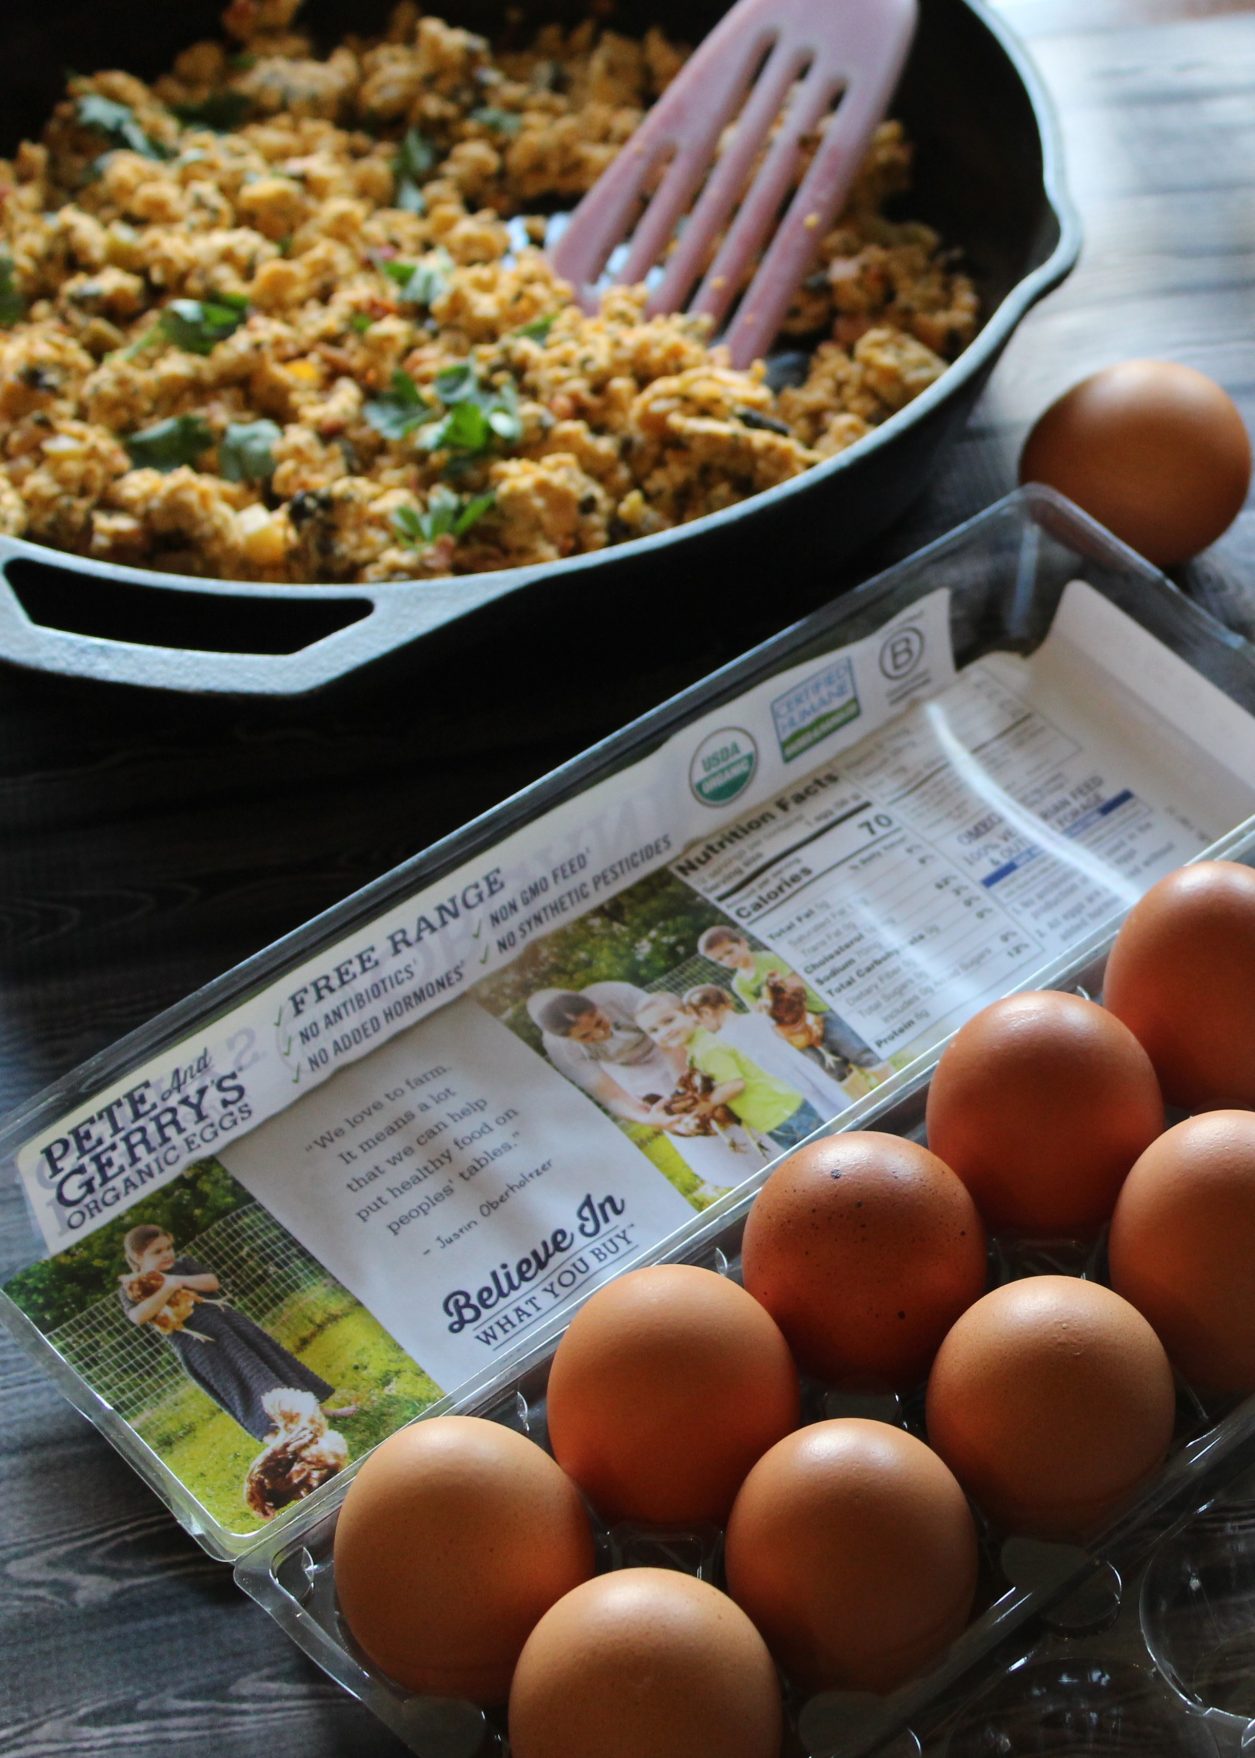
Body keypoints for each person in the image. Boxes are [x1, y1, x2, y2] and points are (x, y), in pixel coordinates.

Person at [119, 1224, 357, 1444]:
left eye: (168, 1247)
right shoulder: (133, 1287)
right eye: (157, 1251)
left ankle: (319, 1412)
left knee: (271, 1368)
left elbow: (211, 1283)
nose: (167, 1254)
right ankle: (276, 1439)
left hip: (230, 1327)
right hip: (201, 1348)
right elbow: (139, 1316)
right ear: (138, 1256)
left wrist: (175, 1280)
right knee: (241, 1389)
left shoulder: (182, 1266)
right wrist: (166, 1288)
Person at [636, 993, 825, 1154]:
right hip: (773, 1115)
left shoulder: (707, 1048)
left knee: (825, 1156)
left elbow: (734, 1084)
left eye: (669, 1020)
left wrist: (705, 1105)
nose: (665, 1031)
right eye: (654, 1030)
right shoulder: (696, 1049)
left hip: (783, 1112)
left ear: (690, 1014)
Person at [696, 925, 880, 1079]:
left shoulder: (768, 959)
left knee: (856, 1051)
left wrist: (770, 997)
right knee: (833, 1070)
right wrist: (762, 1007)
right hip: (794, 1029)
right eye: (719, 959)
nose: (728, 960)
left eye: (730, 952)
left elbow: (795, 985)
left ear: (743, 943)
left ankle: (884, 1076)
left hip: (817, 1013)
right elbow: (757, 1011)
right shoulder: (739, 983)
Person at [528, 983, 692, 1129]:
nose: (600, 1034)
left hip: (663, 1044)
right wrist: (648, 1118)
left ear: (596, 1005)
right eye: (585, 1036)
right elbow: (608, 1094)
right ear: (566, 1038)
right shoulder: (560, 1049)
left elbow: (671, 1038)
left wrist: (685, 1085)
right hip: (628, 1071)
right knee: (680, 1121)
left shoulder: (616, 994)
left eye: (599, 1022)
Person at [683, 982, 848, 1121]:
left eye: (699, 1021)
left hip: (777, 1078)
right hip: (798, 1063)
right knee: (833, 1094)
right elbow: (782, 1036)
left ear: (706, 1013)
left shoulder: (721, 1039)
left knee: (818, 1106)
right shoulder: (755, 1018)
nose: (702, 1026)